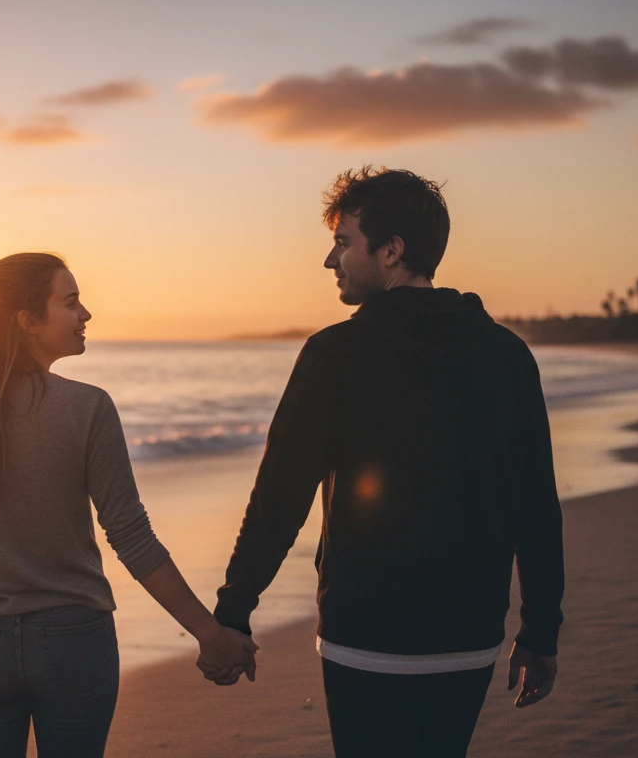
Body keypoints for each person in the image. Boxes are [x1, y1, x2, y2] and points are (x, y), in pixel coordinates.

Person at [204, 167, 565, 757]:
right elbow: (536, 505)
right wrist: (541, 629)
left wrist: (234, 614)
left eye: (344, 242)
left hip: (363, 635)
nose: (330, 259)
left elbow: (280, 499)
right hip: (468, 636)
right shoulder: (508, 356)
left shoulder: (333, 354)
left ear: (391, 251)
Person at [0, 252, 256, 757]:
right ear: (27, 322)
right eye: (70, 302)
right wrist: (209, 632)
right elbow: (131, 536)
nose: (85, 314)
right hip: (73, 641)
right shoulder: (88, 407)